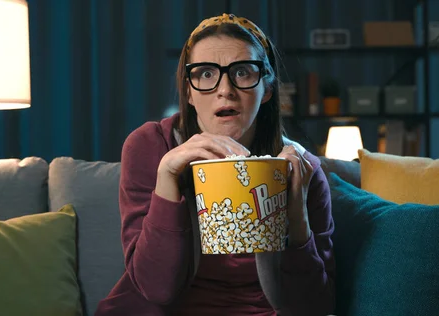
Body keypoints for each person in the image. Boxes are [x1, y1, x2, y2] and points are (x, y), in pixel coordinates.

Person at [95, 13, 335, 316]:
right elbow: (156, 289)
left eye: (243, 72)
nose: (225, 89)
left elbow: (314, 306)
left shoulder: (302, 166)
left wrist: (296, 214)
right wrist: (168, 177)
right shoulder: (152, 146)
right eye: (206, 74)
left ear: (267, 89)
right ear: (188, 92)